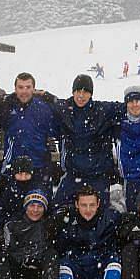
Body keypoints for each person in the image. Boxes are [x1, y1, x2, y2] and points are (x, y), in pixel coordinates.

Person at [49, 74, 120, 208]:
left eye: (85, 91)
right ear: (73, 92)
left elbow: (127, 107)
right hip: (73, 174)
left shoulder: (102, 110)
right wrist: (45, 95)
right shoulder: (65, 109)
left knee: (100, 212)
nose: (81, 95)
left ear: (91, 94)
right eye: (78, 91)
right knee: (57, 208)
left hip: (98, 175)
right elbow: (47, 102)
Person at [56, 186, 122, 279]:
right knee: (63, 262)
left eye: (92, 205)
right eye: (83, 205)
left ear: (98, 204)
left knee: (114, 259)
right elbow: (60, 246)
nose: (88, 210)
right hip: (78, 272)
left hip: (99, 272)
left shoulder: (109, 219)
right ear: (76, 204)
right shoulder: (67, 220)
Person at [0, 190, 60, 279]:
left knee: (52, 254)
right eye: (32, 205)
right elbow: (7, 248)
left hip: (37, 278)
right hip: (16, 276)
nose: (35, 210)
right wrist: (23, 257)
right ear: (26, 207)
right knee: (1, 255)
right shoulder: (13, 225)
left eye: (39, 206)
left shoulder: (49, 226)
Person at [0, 72, 59, 189]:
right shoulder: (7, 107)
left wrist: (52, 98)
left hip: (39, 165)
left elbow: (58, 125)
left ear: (34, 89)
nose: (24, 91)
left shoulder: (43, 108)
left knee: (38, 202)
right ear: (15, 89)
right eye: (20, 87)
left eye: (28, 87)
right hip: (14, 165)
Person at [0, 155, 42, 227]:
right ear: (14, 173)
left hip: (32, 227)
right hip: (8, 226)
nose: (23, 178)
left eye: (27, 174)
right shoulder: (4, 186)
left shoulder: (37, 187)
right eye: (20, 174)